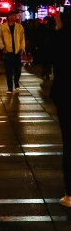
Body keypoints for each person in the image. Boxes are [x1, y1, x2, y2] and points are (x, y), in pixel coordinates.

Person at [48, 11, 71, 207]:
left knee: (68, 141)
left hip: (65, 94)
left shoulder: (59, 38)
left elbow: (49, 58)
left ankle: (70, 193)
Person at [0, 9, 26, 94]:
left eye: (15, 15)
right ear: (9, 16)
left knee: (18, 70)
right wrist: (2, 48)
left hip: (17, 51)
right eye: (13, 15)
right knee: (8, 71)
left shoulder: (19, 27)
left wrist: (22, 48)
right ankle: (10, 88)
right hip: (8, 51)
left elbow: (22, 39)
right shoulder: (2, 27)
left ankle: (16, 82)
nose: (15, 17)